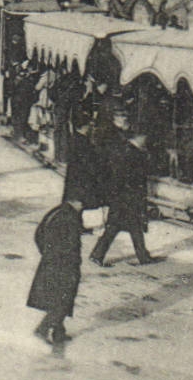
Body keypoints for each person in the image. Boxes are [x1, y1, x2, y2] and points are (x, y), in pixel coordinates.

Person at [90, 130, 156, 266]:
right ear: (139, 136)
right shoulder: (134, 154)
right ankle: (142, 256)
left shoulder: (124, 150)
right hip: (128, 197)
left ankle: (98, 254)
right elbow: (134, 178)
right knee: (128, 227)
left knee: (124, 227)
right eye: (145, 137)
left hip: (121, 197)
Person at [28, 196, 85, 347]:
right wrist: (72, 262)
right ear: (74, 201)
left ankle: (59, 333)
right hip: (64, 265)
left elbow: (38, 233)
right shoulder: (70, 218)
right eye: (81, 203)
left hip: (51, 263)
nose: (82, 206)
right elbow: (72, 245)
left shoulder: (56, 212)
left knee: (58, 297)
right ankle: (42, 328)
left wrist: (46, 253)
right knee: (63, 300)